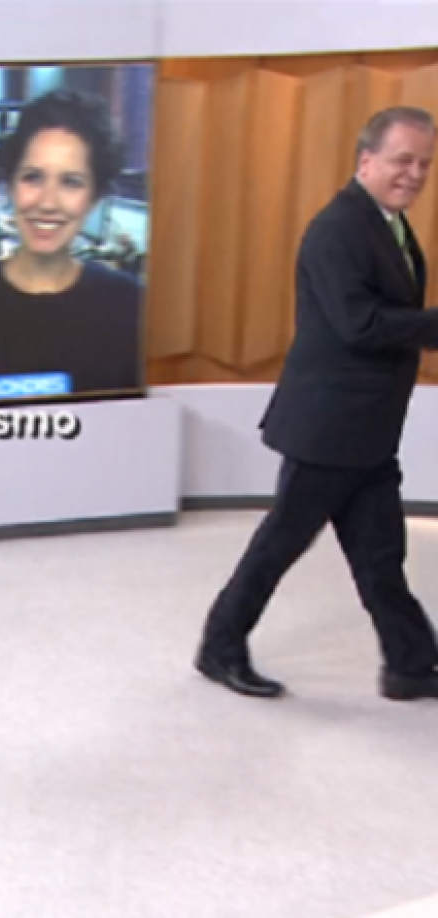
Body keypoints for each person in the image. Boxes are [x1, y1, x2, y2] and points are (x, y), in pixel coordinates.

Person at [195, 106, 438, 702]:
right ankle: (220, 647)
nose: (414, 174)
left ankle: (410, 667)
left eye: (425, 164)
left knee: (381, 555)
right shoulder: (338, 229)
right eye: (403, 160)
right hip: (328, 430)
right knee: (279, 545)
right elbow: (361, 324)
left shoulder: (389, 226)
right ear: (366, 160)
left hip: (367, 431)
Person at [0, 89, 142, 404]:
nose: (47, 203)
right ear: (10, 185)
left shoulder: (129, 309)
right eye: (32, 178)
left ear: (95, 197)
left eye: (71, 182)